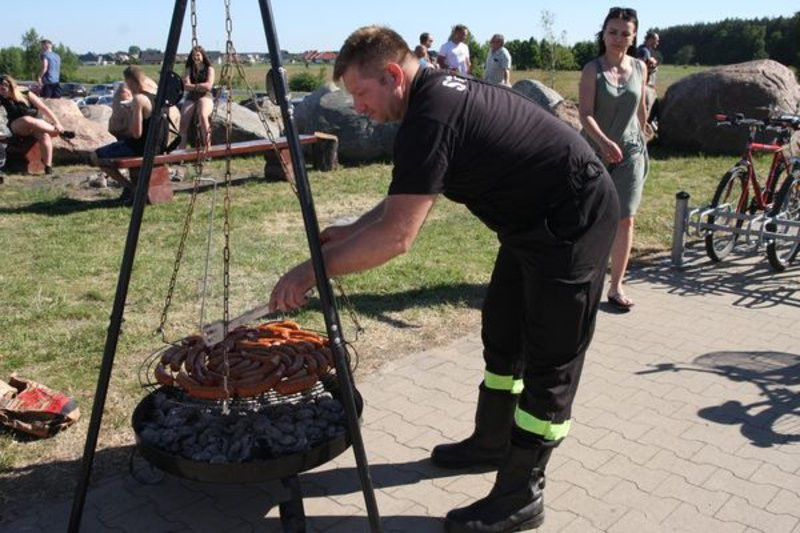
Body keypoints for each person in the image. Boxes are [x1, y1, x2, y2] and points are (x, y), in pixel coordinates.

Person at [269, 26, 618, 532]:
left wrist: (309, 273)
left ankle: (522, 495)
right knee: (502, 331)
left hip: (575, 219)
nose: (360, 108)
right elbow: (398, 205)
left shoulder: (432, 113)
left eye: (362, 95)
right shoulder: (430, 101)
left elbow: (397, 237)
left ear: (393, 74)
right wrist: (350, 230)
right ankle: (492, 441)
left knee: (551, 363)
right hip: (529, 225)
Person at [578, 7, 649, 311]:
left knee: (625, 218)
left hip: (630, 152)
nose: (618, 38)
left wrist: (647, 131)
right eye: (613, 32)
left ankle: (616, 286)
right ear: (603, 33)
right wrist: (604, 142)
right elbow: (585, 114)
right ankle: (582, 279)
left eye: (625, 33)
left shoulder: (641, 67)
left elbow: (640, 105)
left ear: (633, 37)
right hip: (595, 151)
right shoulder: (592, 69)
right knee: (589, 218)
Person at [91, 66, 159, 199]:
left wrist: (132, 113)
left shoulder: (139, 99)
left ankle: (130, 187)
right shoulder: (157, 97)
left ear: (131, 82)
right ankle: (131, 188)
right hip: (158, 146)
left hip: (141, 147)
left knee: (95, 156)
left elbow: (136, 134)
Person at [0, 74, 75, 176]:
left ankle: (48, 168)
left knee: (44, 136)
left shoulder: (25, 92)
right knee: (27, 119)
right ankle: (60, 132)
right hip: (17, 126)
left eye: (3, 89)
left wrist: (57, 122)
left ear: (10, 86)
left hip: (35, 126)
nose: (1, 92)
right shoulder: (1, 97)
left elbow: (44, 108)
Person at [178, 45, 215, 151]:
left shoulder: (209, 69)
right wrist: (199, 87)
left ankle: (208, 147)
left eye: (198, 55)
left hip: (205, 96)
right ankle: (181, 149)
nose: (196, 58)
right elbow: (185, 85)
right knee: (183, 121)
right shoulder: (189, 69)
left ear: (203, 56)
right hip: (191, 96)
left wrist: (193, 86)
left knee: (203, 116)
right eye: (194, 56)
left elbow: (208, 86)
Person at [636, 30, 660, 130]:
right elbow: (639, 66)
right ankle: (648, 126)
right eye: (656, 40)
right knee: (654, 105)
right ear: (650, 39)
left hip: (640, 84)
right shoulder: (644, 51)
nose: (657, 43)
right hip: (642, 85)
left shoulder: (642, 49)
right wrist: (651, 67)